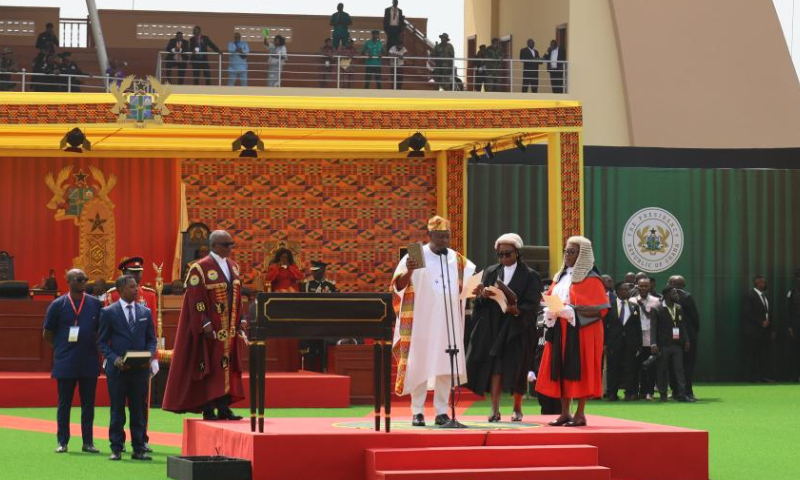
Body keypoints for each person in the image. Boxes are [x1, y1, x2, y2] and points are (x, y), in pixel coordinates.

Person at [392, 215, 476, 427]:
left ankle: (441, 412)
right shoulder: (415, 253)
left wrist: (479, 288)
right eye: (440, 237)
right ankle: (417, 412)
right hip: (421, 320)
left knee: (445, 366)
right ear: (429, 235)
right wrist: (409, 270)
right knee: (419, 363)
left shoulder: (456, 259)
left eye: (447, 236)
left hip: (448, 322)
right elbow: (397, 287)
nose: (445, 241)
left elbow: (471, 284)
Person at [163, 230, 247, 419]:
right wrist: (204, 323)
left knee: (228, 366)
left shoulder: (234, 267)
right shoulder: (199, 268)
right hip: (212, 331)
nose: (230, 248)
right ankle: (209, 408)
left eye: (231, 244)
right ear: (215, 245)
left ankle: (224, 407)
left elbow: (238, 297)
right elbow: (195, 299)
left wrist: (241, 319)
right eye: (227, 245)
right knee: (210, 368)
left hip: (230, 329)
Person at [466, 233, 541, 422]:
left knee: (518, 367)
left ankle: (517, 408)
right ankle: (494, 409)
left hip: (517, 328)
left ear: (517, 252)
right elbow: (480, 301)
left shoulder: (531, 275)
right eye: (500, 255)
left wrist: (517, 310)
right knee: (495, 368)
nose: (503, 258)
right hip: (494, 326)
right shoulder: (491, 271)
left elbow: (533, 303)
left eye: (507, 254)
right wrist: (482, 294)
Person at [536, 236, 609, 427]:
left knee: (580, 367)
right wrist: (550, 310)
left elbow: (599, 308)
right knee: (560, 366)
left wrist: (571, 311)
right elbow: (551, 296)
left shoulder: (591, 278)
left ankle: (580, 413)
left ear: (582, 254)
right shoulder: (560, 276)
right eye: (566, 251)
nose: (567, 255)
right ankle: (565, 413)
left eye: (571, 252)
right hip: (560, 328)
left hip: (583, 330)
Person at [43, 269, 103, 454]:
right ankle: (63, 441)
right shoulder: (57, 304)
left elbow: (101, 331)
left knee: (88, 405)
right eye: (79, 279)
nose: (84, 281)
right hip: (66, 361)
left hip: (89, 361)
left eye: (85, 279)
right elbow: (47, 333)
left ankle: (88, 442)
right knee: (64, 404)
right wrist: (61, 348)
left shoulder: (95, 304)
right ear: (68, 281)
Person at [97, 275, 157, 461]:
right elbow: (102, 342)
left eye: (137, 286)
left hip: (140, 370)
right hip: (117, 371)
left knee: (138, 410)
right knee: (117, 410)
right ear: (121, 289)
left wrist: (149, 355)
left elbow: (151, 340)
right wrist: (114, 359)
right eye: (132, 287)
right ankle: (116, 448)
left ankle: (138, 448)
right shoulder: (108, 312)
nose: (136, 289)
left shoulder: (145, 312)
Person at [654, 287, 694, 402]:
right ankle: (663, 394)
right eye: (674, 293)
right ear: (666, 295)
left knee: (679, 369)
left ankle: (681, 394)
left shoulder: (678, 308)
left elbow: (682, 326)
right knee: (663, 369)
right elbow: (653, 327)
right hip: (663, 344)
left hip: (677, 344)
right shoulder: (658, 308)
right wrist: (653, 343)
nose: (676, 295)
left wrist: (686, 340)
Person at [603, 281, 641, 401]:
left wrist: (639, 344)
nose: (627, 291)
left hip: (630, 343)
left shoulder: (634, 306)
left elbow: (637, 327)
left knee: (630, 368)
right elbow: (604, 326)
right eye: (624, 289)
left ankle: (629, 393)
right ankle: (612, 393)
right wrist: (604, 343)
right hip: (614, 343)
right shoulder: (609, 306)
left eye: (628, 289)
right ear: (618, 291)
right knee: (613, 368)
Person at [668, 275, 699, 400]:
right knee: (685, 365)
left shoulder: (667, 298)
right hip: (685, 338)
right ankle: (684, 392)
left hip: (680, 337)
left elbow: (694, 318)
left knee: (678, 365)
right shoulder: (686, 297)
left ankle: (681, 392)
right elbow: (695, 318)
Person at [745, 275, 775, 382]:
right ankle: (753, 378)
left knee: (764, 355)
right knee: (753, 355)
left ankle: (763, 377)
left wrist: (772, 330)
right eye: (763, 282)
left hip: (764, 332)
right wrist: (760, 322)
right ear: (757, 282)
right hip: (753, 332)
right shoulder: (750, 295)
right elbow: (748, 313)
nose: (764, 283)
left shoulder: (765, 297)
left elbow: (768, 314)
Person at [633, 277, 659, 400]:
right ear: (637, 286)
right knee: (639, 366)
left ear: (650, 287)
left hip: (651, 338)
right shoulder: (632, 300)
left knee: (651, 367)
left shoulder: (656, 301)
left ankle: (650, 392)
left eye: (646, 286)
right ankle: (641, 392)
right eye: (641, 285)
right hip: (637, 339)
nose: (643, 288)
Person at [786, 270, 800, 382]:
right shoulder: (792, 292)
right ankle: (794, 376)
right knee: (795, 352)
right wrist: (790, 327)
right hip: (796, 326)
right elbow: (788, 310)